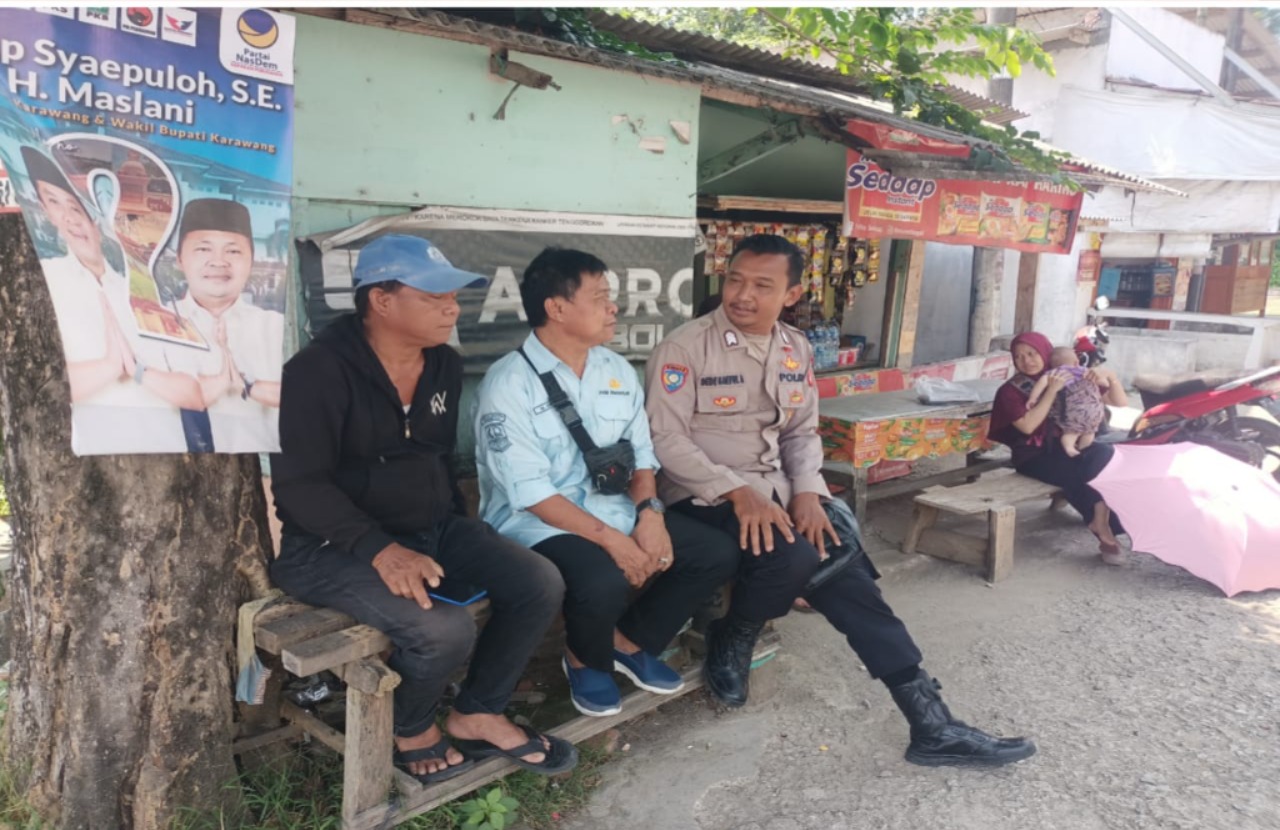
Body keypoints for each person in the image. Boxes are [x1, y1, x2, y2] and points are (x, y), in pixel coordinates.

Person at [646, 234, 1036, 767]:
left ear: (791, 294)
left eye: (762, 285)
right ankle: (735, 631)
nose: (742, 294)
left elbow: (801, 433)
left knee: (845, 571)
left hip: (779, 491)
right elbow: (665, 440)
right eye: (735, 280)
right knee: (797, 555)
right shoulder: (685, 347)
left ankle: (930, 721)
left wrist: (809, 491)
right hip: (701, 493)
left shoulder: (795, 348)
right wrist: (738, 493)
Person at [270, 234, 576, 784]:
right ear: (381, 300)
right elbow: (300, 486)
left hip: (429, 528)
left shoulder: (443, 366)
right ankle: (410, 726)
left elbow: (434, 458)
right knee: (442, 630)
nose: (451, 308)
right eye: (434, 297)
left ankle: (478, 710)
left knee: (539, 581)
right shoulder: (317, 371)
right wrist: (382, 551)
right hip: (328, 548)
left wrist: (461, 529)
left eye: (453, 296)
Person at [475, 248, 739, 717]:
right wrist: (615, 541)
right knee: (602, 577)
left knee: (713, 552)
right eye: (599, 297)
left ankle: (626, 641)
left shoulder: (615, 370)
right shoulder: (508, 384)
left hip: (612, 507)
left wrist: (650, 515)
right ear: (557, 308)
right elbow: (530, 492)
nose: (613, 308)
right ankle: (585, 658)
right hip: (536, 523)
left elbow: (642, 455)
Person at [21, 145, 203, 454]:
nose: (70, 218)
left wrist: (138, 371)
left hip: (165, 448)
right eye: (54, 202)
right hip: (91, 457)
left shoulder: (140, 289)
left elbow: (194, 394)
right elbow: (40, 390)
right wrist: (110, 365)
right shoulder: (49, 283)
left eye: (76, 207)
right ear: (45, 211)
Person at [989, 332, 1128, 564]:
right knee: (1081, 472)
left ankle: (1102, 522)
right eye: (1019, 356)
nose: (1026, 361)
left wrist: (1110, 377)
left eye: (1032, 353)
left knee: (1104, 455)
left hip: (1068, 447)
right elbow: (1027, 426)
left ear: (1045, 352)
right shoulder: (1011, 391)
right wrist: (1051, 391)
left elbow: (1119, 402)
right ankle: (1104, 530)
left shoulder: (1071, 375)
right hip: (1034, 456)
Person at [173, 198, 284, 452]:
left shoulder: (275, 326)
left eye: (233, 251)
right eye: (203, 249)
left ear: (252, 261)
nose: (218, 261)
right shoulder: (156, 320)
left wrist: (247, 385)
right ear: (180, 259)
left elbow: (304, 396)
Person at [1026, 346, 1109, 458]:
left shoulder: (1055, 373)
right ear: (1076, 362)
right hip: (1094, 411)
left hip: (1074, 411)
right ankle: (1083, 449)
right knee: (1089, 432)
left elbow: (1041, 384)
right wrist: (1104, 380)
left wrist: (1032, 398)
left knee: (1071, 433)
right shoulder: (1083, 370)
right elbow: (1104, 383)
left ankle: (1070, 448)